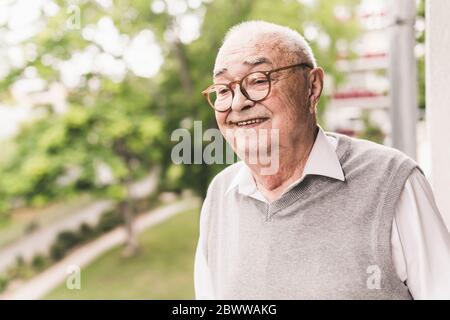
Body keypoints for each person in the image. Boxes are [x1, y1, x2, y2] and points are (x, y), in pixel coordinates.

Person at [194, 20, 450, 299]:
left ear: (312, 87)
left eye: (258, 80)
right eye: (222, 89)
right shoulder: (219, 196)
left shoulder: (393, 183)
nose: (236, 102)